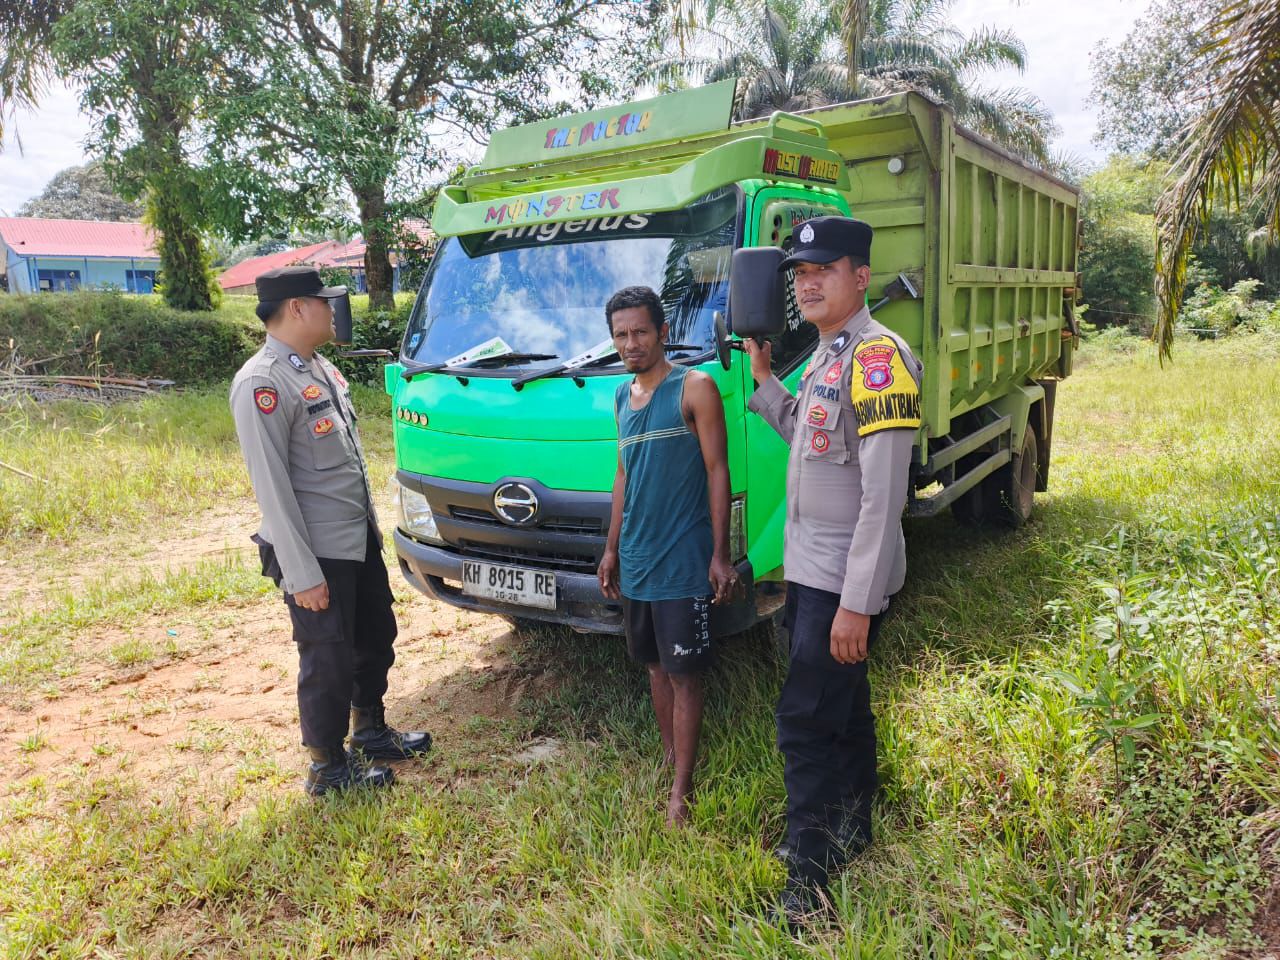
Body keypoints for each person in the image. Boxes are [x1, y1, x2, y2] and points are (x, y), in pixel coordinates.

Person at [743, 217, 922, 921]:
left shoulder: (879, 358)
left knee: (804, 722)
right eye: (799, 273)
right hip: (813, 570)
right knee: (842, 710)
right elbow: (812, 443)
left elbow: (885, 495)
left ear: (860, 276)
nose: (808, 281)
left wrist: (857, 603)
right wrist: (763, 382)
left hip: (842, 578)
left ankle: (808, 881)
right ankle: (853, 825)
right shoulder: (825, 357)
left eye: (824, 268)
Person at [229, 266, 432, 797]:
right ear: (297, 307)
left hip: (353, 541)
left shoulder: (317, 368)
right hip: (316, 553)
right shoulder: (263, 382)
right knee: (327, 659)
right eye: (325, 302)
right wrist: (301, 574)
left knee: (374, 638)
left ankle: (369, 731)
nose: (334, 311)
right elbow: (272, 488)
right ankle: (327, 768)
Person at [596, 285, 738, 827]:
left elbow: (717, 471)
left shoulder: (695, 388)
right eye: (620, 334)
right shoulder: (620, 397)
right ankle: (672, 759)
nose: (630, 343)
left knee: (684, 676)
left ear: (661, 332)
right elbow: (623, 475)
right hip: (636, 560)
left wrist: (719, 555)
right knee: (655, 668)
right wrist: (611, 549)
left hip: (682, 560)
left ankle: (681, 791)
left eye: (639, 332)